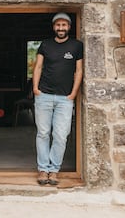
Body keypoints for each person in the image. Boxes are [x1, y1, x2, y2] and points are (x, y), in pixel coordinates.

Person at [32, 12, 83, 186]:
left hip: (65, 98)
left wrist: (73, 94)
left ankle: (54, 170)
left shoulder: (77, 46)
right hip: (44, 95)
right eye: (58, 25)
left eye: (64, 25)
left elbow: (79, 71)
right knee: (43, 133)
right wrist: (35, 88)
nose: (61, 28)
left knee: (61, 135)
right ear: (54, 27)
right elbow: (38, 66)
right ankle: (43, 169)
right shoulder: (45, 45)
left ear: (69, 27)